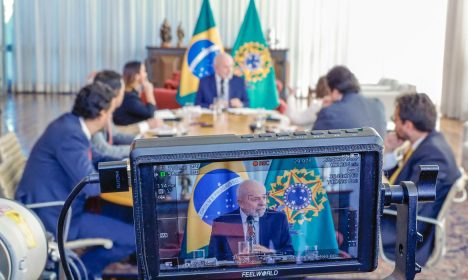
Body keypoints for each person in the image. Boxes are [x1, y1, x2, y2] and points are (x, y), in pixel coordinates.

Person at [15, 83, 135, 278]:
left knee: (124, 215)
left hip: (63, 204)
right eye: (111, 111)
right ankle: (81, 272)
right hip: (57, 216)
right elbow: (92, 186)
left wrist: (129, 163)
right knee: (134, 237)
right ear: (102, 113)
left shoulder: (71, 125)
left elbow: (95, 157)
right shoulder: (70, 135)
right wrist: (127, 177)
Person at [381, 93, 460, 265]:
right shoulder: (427, 143)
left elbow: (411, 205)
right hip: (401, 217)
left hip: (406, 233)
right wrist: (388, 152)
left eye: (395, 120)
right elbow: (401, 178)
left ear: (408, 125)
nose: (394, 125)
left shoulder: (433, 156)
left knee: (345, 214)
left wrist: (380, 188)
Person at [208, 180, 293, 261]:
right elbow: (213, 257)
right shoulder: (221, 223)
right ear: (241, 203)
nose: (262, 203)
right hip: (236, 274)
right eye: (255, 199)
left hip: (270, 274)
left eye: (264, 197)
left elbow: (289, 252)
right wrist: (235, 258)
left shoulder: (278, 219)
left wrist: (271, 253)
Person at [312, 66, 387, 138]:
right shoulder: (378, 105)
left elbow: (312, 143)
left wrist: (324, 109)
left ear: (334, 91)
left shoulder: (329, 113)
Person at [91, 70, 135, 159]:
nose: (124, 94)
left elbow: (115, 136)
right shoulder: (96, 113)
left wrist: (141, 142)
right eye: (123, 91)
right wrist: (136, 149)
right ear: (114, 93)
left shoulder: (107, 111)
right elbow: (103, 150)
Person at [113, 61, 159, 125]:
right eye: (144, 71)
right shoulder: (129, 97)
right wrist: (149, 93)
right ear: (136, 76)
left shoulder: (130, 92)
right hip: (127, 132)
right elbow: (150, 114)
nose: (146, 74)